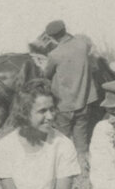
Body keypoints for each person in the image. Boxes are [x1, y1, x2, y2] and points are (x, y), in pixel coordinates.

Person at [41, 19, 99, 169]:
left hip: (63, 104)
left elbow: (46, 74)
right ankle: (84, 167)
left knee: (62, 139)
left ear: (52, 37)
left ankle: (64, 168)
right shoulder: (82, 45)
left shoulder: (55, 54)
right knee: (81, 138)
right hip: (84, 101)